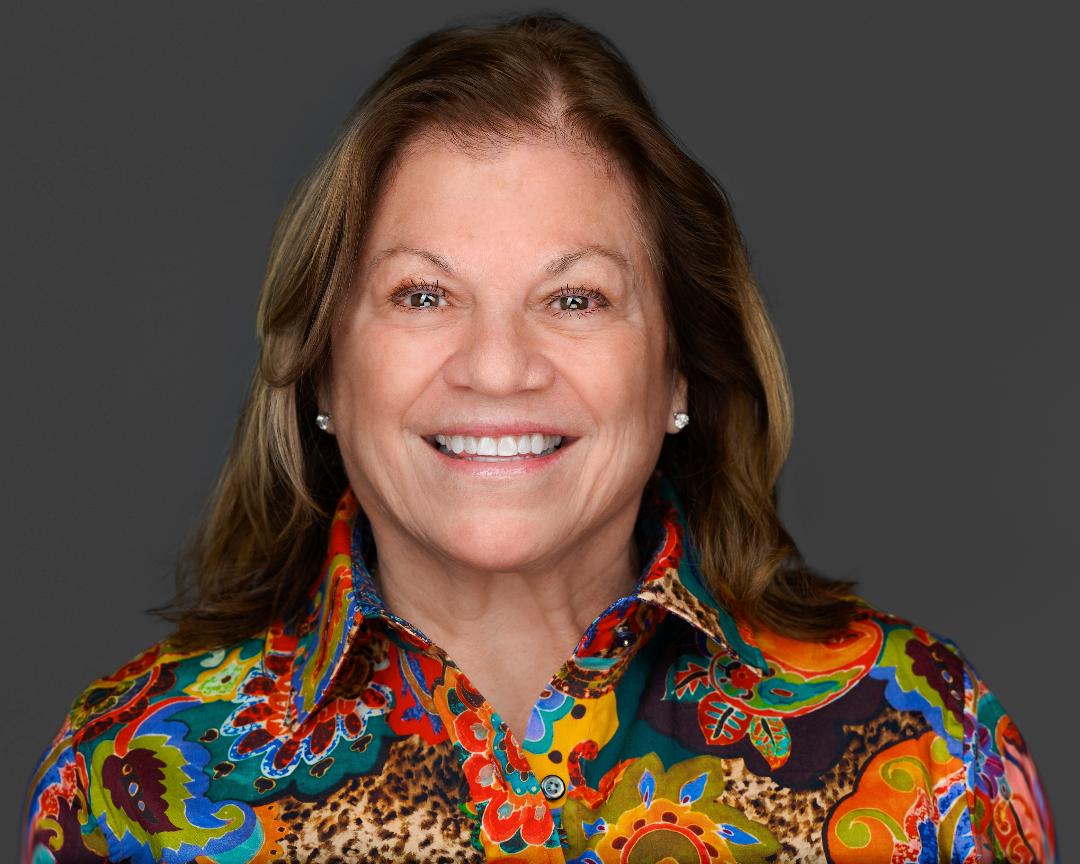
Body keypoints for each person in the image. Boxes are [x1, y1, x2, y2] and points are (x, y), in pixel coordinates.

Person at [21, 10, 1057, 864]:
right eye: (423, 295)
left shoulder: (930, 746)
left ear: (680, 369)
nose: (498, 366)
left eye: (575, 299)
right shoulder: (128, 780)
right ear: (325, 366)